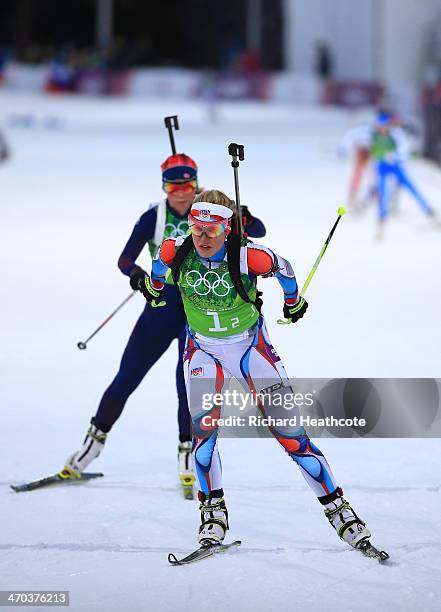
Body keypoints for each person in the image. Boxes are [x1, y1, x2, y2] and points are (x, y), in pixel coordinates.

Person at [138, 189, 376, 552]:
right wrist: (154, 288)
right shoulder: (176, 249)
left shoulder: (248, 256)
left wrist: (293, 301)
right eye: (196, 228)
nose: (201, 238)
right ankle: (213, 514)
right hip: (203, 351)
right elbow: (158, 268)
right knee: (203, 438)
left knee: (292, 437)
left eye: (211, 231)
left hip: (250, 349)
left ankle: (339, 510)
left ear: (227, 229)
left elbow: (285, 268)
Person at [62, 156, 266, 497]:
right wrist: (140, 277)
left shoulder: (211, 213)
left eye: (187, 186)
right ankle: (89, 449)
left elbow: (258, 232)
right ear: (164, 187)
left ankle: (186, 455)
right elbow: (125, 259)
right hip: (159, 308)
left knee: (185, 387)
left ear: (196, 184)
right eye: (173, 186)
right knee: (127, 376)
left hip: (197, 309)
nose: (181, 194)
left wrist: (242, 216)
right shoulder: (155, 216)